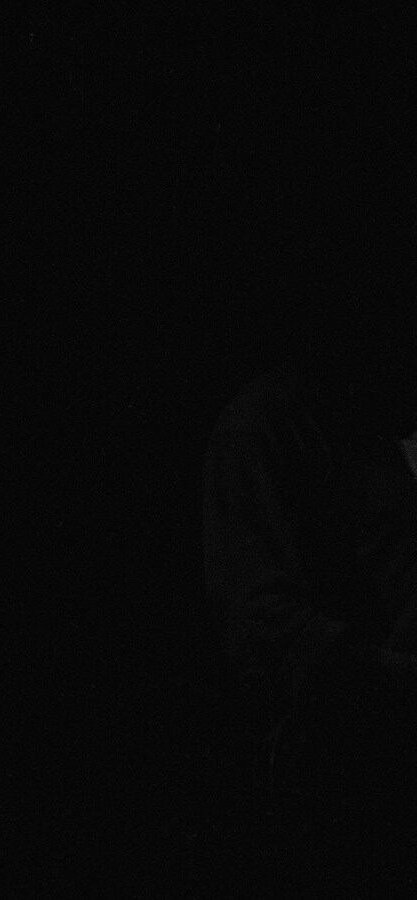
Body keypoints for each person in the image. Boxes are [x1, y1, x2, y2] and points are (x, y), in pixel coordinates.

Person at [202, 276, 417, 891]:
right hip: (341, 778)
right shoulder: (264, 425)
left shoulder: (380, 421)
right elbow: (262, 625)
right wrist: (390, 678)